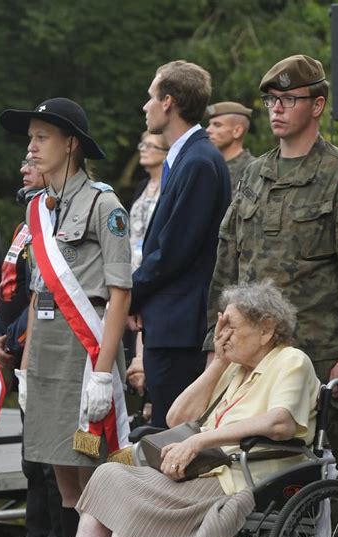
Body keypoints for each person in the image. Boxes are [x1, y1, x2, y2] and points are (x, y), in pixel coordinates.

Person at [14, 280, 320, 537]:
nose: (222, 336)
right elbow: (177, 418)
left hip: (242, 479)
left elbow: (280, 422)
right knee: (108, 476)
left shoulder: (290, 361)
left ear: (266, 328)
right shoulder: (236, 369)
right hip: (204, 472)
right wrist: (218, 364)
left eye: (232, 328)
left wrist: (201, 440)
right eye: (220, 329)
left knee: (133, 515)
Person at [205, 54, 338, 537]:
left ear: (317, 105)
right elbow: (229, 259)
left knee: (318, 487)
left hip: (318, 357)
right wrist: (219, 341)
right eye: (271, 101)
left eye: (290, 99)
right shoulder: (253, 174)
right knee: (256, 487)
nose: (277, 109)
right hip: (253, 364)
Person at [0, 98, 132, 537]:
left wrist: (101, 372)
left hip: (85, 349)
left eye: (42, 138)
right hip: (49, 353)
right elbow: (39, 294)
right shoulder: (41, 209)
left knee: (93, 466)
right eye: (30, 138)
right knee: (60, 468)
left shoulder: (104, 203)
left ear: (71, 143)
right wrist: (27, 369)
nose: (31, 148)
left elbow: (119, 294)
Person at [129, 60, 231, 428]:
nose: (145, 106)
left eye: (150, 96)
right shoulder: (188, 159)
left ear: (168, 101)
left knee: (173, 435)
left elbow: (174, 251)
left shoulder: (199, 162)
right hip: (168, 321)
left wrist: (132, 295)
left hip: (180, 330)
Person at [0, 156, 64, 537]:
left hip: (42, 350)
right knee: (30, 462)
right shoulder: (27, 219)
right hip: (17, 345)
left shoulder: (55, 218)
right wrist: (0, 333)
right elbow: (8, 288)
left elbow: (48, 294)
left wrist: (15, 335)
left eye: (32, 161)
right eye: (20, 160)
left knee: (52, 463)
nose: (23, 167)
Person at [129, 132, 168, 269]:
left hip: (154, 266)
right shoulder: (142, 186)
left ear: (166, 153)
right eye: (142, 144)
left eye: (151, 145)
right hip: (132, 265)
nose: (143, 149)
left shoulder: (168, 187)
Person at [206, 101, 255, 190]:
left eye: (217, 125)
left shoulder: (252, 170)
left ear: (237, 131)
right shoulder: (208, 165)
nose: (208, 130)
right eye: (209, 124)